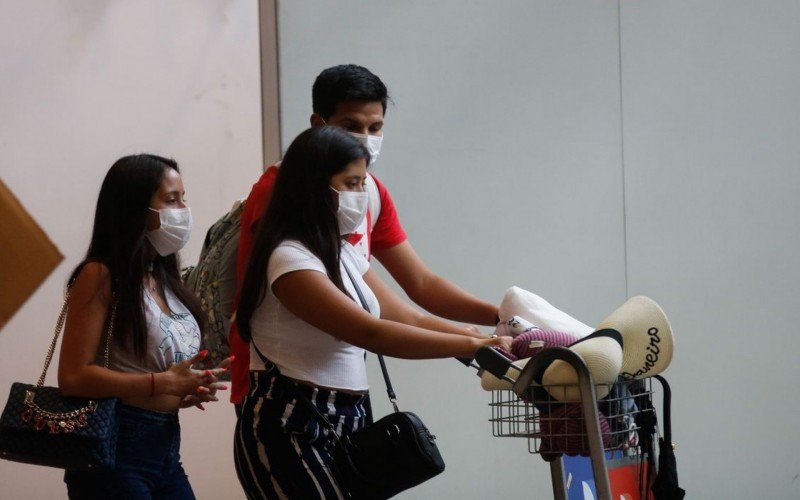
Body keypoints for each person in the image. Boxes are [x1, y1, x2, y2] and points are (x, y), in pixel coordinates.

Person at [233, 126, 511, 499]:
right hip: (292, 420)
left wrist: (480, 334)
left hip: (349, 418)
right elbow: (370, 332)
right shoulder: (289, 259)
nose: (360, 196)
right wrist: (469, 347)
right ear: (312, 186)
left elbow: (408, 317)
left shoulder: (341, 251)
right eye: (350, 183)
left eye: (363, 184)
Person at [228, 64, 499, 409]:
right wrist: (470, 344)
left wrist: (499, 321)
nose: (366, 139)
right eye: (351, 126)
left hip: (341, 392)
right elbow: (368, 330)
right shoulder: (284, 210)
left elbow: (419, 287)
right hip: (285, 389)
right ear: (318, 125)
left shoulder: (367, 199)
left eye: (376, 127)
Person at [57, 154, 231, 499]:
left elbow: (143, 371)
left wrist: (186, 386)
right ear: (134, 209)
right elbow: (73, 377)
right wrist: (162, 382)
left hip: (164, 446)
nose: (183, 209)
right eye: (170, 200)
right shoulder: (101, 275)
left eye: (183, 198)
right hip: (115, 450)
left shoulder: (162, 277)